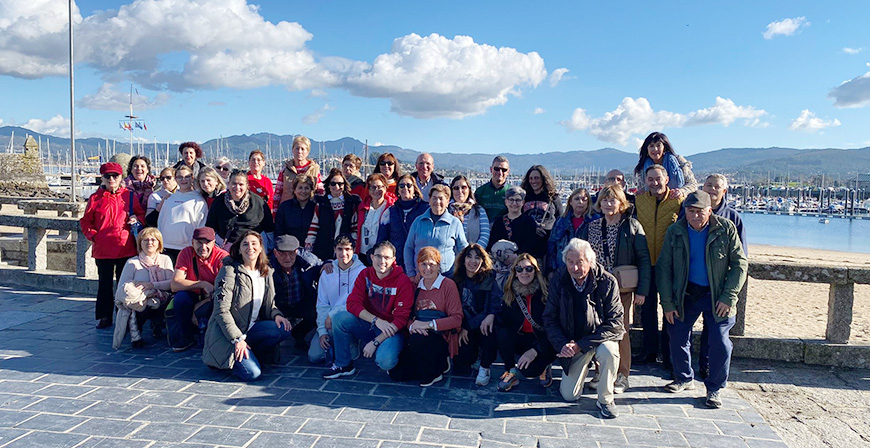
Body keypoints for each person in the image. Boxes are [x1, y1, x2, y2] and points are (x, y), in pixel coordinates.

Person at [656, 191, 747, 408]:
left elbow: (740, 264)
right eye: (691, 211)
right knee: (677, 334)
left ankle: (714, 388)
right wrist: (667, 303)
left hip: (717, 294)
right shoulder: (675, 231)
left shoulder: (725, 229)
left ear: (710, 211)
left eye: (700, 212)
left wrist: (728, 296)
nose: (695, 216)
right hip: (686, 292)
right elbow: (663, 268)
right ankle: (684, 377)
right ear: (685, 211)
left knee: (720, 341)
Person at [578, 185, 651, 394]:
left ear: (622, 203)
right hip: (595, 286)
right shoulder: (590, 227)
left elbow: (643, 259)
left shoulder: (632, 226)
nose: (609, 204)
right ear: (599, 204)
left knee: (621, 331)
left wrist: (642, 290)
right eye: (605, 200)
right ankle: (601, 371)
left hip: (623, 289)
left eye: (614, 200)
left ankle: (622, 375)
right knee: (597, 328)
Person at [543, 238, 624, 419]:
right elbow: (549, 319)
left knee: (609, 352)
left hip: (600, 338)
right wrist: (562, 344)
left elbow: (616, 323)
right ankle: (586, 368)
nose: (575, 268)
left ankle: (605, 399)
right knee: (569, 396)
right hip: (573, 342)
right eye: (570, 262)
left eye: (580, 262)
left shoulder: (607, 282)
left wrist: (582, 344)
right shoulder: (559, 280)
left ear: (590, 261)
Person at [202, 231, 293, 381]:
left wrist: (277, 315)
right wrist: (237, 339)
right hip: (228, 335)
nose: (250, 247)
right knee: (253, 373)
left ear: (261, 248)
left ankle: (252, 352)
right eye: (245, 244)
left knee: (283, 329)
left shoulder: (266, 272)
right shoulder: (228, 271)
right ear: (239, 249)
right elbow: (221, 311)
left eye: (254, 243)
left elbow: (270, 305)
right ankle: (223, 360)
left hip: (251, 329)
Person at [323, 241, 413, 378]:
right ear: (371, 257)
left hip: (391, 330)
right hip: (370, 324)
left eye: (387, 258)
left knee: (385, 361)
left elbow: (401, 319)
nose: (382, 261)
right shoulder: (365, 274)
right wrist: (376, 320)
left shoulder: (403, 281)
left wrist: (375, 342)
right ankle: (343, 364)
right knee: (340, 318)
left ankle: (394, 353)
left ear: (394, 260)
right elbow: (352, 303)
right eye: (378, 256)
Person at [80, 162, 146, 329]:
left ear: (120, 177)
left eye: (115, 176)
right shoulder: (95, 198)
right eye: (107, 176)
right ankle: (104, 316)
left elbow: (141, 215)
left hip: (125, 247)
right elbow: (86, 221)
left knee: (125, 285)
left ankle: (124, 315)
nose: (111, 179)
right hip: (103, 250)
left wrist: (136, 220)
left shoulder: (129, 196)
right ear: (102, 178)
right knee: (104, 285)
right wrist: (94, 236)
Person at [633, 164, 684, 368]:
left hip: (669, 264)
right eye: (650, 179)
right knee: (647, 310)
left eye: (658, 178)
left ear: (666, 180)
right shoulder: (640, 200)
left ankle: (669, 354)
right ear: (646, 181)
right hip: (645, 262)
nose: (654, 182)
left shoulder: (678, 200)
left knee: (669, 309)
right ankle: (649, 351)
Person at [698, 174, 748, 380]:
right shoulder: (692, 212)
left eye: (716, 187)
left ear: (724, 191)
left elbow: (741, 258)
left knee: (715, 331)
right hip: (695, 282)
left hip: (720, 285)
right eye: (708, 185)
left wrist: (730, 292)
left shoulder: (733, 218)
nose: (711, 189)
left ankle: (710, 369)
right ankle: (684, 368)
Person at [390, 247, 464, 387]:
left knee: (425, 374)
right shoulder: (415, 285)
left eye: (432, 264)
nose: (427, 268)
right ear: (418, 265)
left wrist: (428, 325)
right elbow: (406, 314)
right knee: (397, 374)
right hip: (417, 333)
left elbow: (457, 318)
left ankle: (439, 367)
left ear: (438, 266)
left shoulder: (448, 285)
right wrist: (413, 325)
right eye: (423, 264)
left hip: (440, 335)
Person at [496, 253, 556, 392]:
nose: (524, 272)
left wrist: (536, 349)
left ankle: (545, 365)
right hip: (521, 338)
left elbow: (553, 328)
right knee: (501, 332)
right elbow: (505, 322)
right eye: (520, 269)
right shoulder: (510, 293)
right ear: (515, 272)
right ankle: (510, 371)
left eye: (529, 269)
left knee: (529, 371)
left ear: (535, 271)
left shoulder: (545, 294)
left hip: (542, 340)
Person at [167, 227, 229, 351]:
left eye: (207, 243)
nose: (203, 247)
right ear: (192, 242)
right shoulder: (186, 253)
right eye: (199, 242)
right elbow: (175, 285)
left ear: (213, 243)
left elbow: (225, 290)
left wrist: (200, 306)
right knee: (180, 299)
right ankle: (186, 337)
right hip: (194, 294)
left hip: (215, 298)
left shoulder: (223, 258)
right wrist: (202, 284)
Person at [112, 227, 174, 349]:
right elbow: (122, 287)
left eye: (153, 240)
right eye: (145, 240)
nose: (149, 243)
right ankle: (135, 334)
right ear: (140, 243)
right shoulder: (132, 263)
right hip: (140, 299)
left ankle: (159, 325)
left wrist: (153, 286)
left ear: (159, 243)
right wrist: (141, 291)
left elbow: (171, 283)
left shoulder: (165, 259)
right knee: (139, 305)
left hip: (161, 296)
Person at [309, 235, 366, 364]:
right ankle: (330, 340)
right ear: (334, 250)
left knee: (351, 356)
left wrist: (332, 314)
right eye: (340, 249)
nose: (343, 253)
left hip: (349, 319)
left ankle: (351, 341)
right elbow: (322, 304)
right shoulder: (327, 272)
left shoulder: (362, 272)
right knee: (314, 356)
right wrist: (322, 331)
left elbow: (358, 303)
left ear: (354, 250)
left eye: (347, 249)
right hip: (328, 324)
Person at [452, 244, 501, 386]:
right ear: (463, 259)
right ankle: (473, 357)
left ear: (483, 260)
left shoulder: (489, 278)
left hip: (482, 323)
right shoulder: (457, 279)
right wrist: (462, 326)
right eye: (469, 256)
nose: (473, 261)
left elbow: (491, 306)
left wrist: (489, 315)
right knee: (461, 364)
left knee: (489, 330)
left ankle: (485, 366)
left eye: (477, 258)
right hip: (465, 324)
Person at [404, 184, 468, 278]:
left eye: (441, 198)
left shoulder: (455, 223)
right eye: (434, 198)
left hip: (446, 277)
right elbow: (408, 248)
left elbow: (463, 249)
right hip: (420, 277)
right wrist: (411, 274)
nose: (437, 202)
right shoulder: (418, 221)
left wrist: (458, 272)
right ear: (429, 200)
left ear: (447, 201)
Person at [269, 235, 322, 349]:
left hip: (301, 302)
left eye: (291, 253)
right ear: (275, 253)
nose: (287, 258)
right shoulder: (266, 265)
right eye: (282, 253)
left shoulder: (308, 260)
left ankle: (299, 334)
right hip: (277, 305)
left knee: (317, 313)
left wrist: (327, 264)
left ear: (297, 251)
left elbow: (322, 264)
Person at [206, 171, 274, 249]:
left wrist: (270, 250)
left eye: (241, 184)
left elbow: (269, 228)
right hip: (226, 246)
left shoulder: (258, 203)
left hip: (252, 247)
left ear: (247, 186)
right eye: (234, 184)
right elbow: (210, 226)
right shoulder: (219, 201)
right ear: (229, 184)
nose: (237, 187)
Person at [305, 168, 362, 261]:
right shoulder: (321, 203)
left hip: (344, 251)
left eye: (340, 184)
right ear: (328, 185)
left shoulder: (351, 203)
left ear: (344, 185)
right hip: (323, 249)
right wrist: (309, 248)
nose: (336, 186)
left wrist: (352, 247)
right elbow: (313, 227)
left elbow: (354, 229)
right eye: (333, 183)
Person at [156, 165, 207, 263]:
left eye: (187, 177)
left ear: (192, 178)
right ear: (176, 179)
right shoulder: (169, 198)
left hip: (187, 247)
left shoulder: (198, 200)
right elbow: (161, 221)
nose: (183, 180)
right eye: (179, 177)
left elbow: (201, 224)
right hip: (167, 246)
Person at [378, 174, 428, 271]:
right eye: (401, 186)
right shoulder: (390, 212)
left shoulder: (425, 210)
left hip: (419, 263)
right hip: (396, 264)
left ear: (414, 189)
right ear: (398, 190)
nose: (405, 188)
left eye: (409, 185)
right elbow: (382, 240)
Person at [633, 132, 697, 199]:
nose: (655, 149)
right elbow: (642, 189)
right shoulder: (642, 168)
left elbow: (693, 184)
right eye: (651, 146)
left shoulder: (679, 161)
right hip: (653, 204)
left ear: (664, 147)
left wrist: (682, 191)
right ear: (647, 149)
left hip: (677, 202)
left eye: (658, 145)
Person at [548, 187, 596, 274]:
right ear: (570, 202)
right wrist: (552, 268)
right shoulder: (560, 222)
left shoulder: (595, 221)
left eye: (584, 199)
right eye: (577, 199)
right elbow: (552, 245)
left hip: (587, 269)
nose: (580, 202)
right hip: (562, 268)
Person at [487, 186, 541, 259]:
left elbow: (530, 244)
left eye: (518, 200)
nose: (514, 203)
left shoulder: (529, 221)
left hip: (521, 262)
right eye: (511, 200)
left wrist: (517, 256)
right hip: (500, 263)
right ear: (506, 202)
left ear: (523, 202)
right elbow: (492, 243)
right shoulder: (499, 222)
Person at [275, 135, 322, 207]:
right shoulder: (285, 170)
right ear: (292, 150)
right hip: (287, 210)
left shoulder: (315, 170)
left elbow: (320, 192)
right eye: (297, 148)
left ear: (308, 152)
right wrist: (275, 213)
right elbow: (278, 194)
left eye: (302, 149)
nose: (299, 152)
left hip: (309, 209)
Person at [520, 164, 563, 242]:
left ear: (543, 179)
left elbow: (560, 219)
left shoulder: (553, 198)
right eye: (531, 178)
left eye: (536, 178)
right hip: (526, 240)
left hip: (547, 240)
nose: (533, 181)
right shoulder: (524, 197)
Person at [356, 173, 395, 258]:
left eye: (380, 187)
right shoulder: (362, 207)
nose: (376, 190)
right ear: (369, 190)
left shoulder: (391, 208)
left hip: (381, 255)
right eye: (373, 187)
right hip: (362, 253)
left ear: (385, 188)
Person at [275, 174, 317, 246]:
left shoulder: (316, 208)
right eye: (300, 188)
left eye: (307, 188)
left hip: (312, 248)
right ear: (294, 190)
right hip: (289, 248)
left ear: (311, 190)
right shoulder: (285, 207)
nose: (303, 191)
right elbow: (279, 231)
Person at [449, 175, 490, 248]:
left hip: (474, 256)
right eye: (456, 188)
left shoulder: (479, 211)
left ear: (469, 189)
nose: (460, 191)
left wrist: (473, 252)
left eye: (463, 187)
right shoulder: (446, 211)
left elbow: (485, 235)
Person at [475, 156, 511, 221]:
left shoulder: (512, 192)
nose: (500, 172)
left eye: (504, 170)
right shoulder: (480, 191)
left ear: (508, 172)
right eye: (497, 169)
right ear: (491, 169)